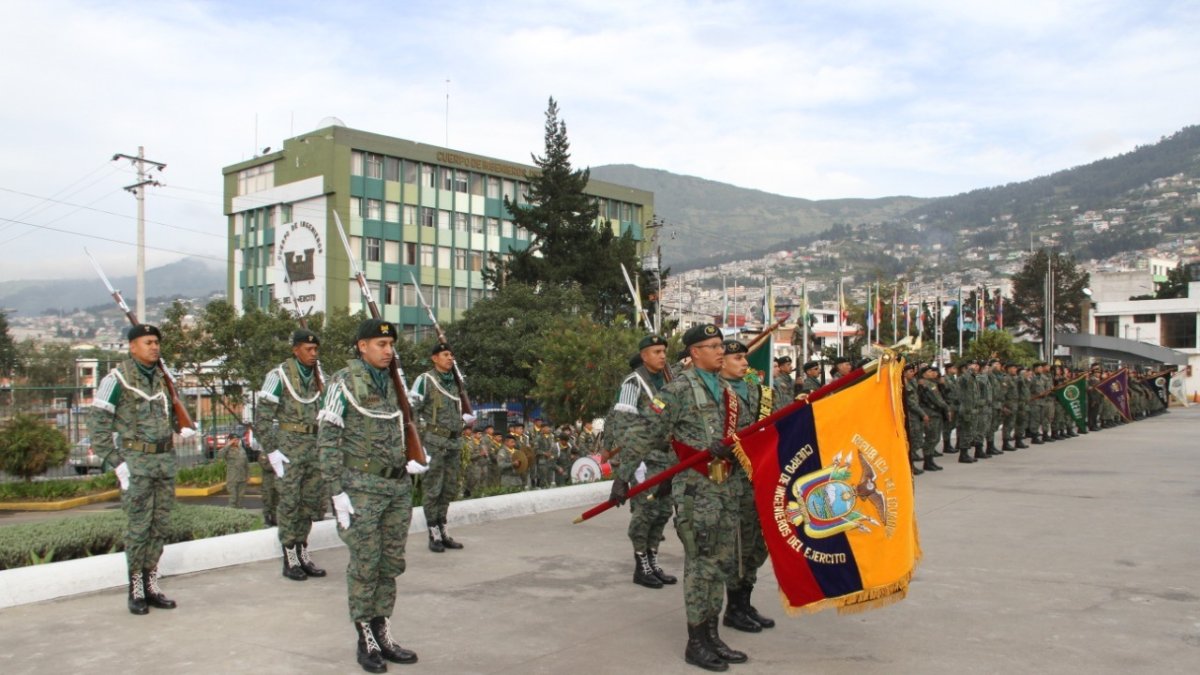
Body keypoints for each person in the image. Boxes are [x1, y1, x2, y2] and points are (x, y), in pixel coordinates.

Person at [318, 319, 425, 671]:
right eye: (381, 343)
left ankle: (384, 632)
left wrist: (414, 459)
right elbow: (328, 439)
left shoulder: (396, 383)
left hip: (396, 489)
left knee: (390, 564)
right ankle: (365, 639)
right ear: (362, 346)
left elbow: (406, 425)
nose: (388, 350)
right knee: (365, 565)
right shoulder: (342, 381)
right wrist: (336, 492)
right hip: (361, 490)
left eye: (391, 344)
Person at [652, 323, 748, 670]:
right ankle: (696, 642)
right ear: (694, 352)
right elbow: (652, 435)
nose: (721, 351)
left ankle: (712, 635)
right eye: (713, 346)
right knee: (700, 566)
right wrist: (629, 478)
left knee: (721, 564)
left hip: (726, 489)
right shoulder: (677, 389)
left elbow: (746, 433)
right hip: (696, 489)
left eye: (722, 345)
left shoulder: (729, 390)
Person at [89, 323, 184, 615]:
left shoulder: (162, 378)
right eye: (148, 342)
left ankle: (152, 582)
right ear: (132, 346)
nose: (154, 347)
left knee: (159, 527)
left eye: (156, 342)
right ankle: (136, 588)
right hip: (137, 466)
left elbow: (173, 417)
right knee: (138, 529)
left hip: (163, 463)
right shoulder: (116, 379)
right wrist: (116, 462)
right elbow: (97, 428)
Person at [256, 328, 327, 580]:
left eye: (316, 349)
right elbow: (262, 418)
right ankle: (290, 556)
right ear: (295, 349)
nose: (313, 354)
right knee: (289, 504)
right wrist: (272, 450)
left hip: (313, 448)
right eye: (308, 349)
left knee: (308, 504)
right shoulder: (278, 376)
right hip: (289, 450)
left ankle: (303, 550)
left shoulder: (320, 377)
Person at [607, 334, 677, 590]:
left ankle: (653, 560)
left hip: (667, 459)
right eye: (656, 351)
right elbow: (625, 429)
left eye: (664, 351)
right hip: (643, 460)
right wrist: (625, 472)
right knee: (645, 513)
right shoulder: (633, 383)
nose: (662, 356)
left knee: (662, 512)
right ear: (644, 355)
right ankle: (641, 564)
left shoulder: (669, 381)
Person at [718, 339, 777, 633]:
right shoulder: (715, 392)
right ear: (722, 361)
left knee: (755, 545)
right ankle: (733, 608)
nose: (744, 363)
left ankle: (745, 602)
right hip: (730, 481)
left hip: (759, 478)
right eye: (738, 358)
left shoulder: (759, 391)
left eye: (745, 357)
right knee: (737, 547)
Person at [409, 342, 474, 552]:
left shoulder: (456, 383)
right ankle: (433, 533)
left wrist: (465, 420)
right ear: (434, 358)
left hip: (454, 443)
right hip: (434, 443)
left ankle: (443, 529)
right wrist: (419, 440)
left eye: (452, 355)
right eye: (446, 354)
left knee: (448, 489)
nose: (450, 358)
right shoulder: (425, 380)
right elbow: (412, 411)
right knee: (433, 489)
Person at [221, 436, 250, 508]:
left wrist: (248, 475)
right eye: (234, 440)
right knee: (233, 497)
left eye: (237, 439)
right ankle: (232, 512)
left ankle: (239, 510)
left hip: (242, 476)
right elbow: (219, 455)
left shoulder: (242, 449)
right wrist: (228, 445)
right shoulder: (227, 450)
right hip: (232, 477)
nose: (236, 441)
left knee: (240, 496)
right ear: (230, 440)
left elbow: (246, 463)